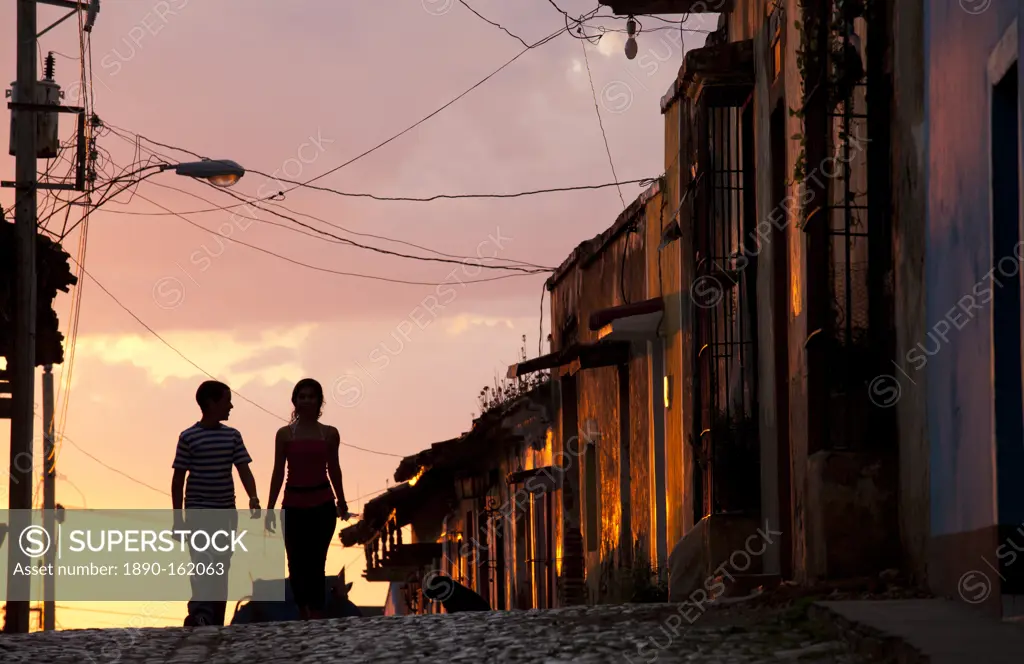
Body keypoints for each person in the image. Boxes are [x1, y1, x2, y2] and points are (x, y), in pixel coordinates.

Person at [172, 380, 261, 627]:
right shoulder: (188, 437)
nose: (231, 406)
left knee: (220, 565)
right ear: (211, 404)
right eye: (226, 401)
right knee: (202, 564)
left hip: (225, 514)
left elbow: (243, 469)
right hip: (199, 513)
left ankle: (215, 618)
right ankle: (200, 614)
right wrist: (177, 519)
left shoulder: (232, 436)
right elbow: (178, 478)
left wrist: (253, 497)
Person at [265, 378, 349, 620]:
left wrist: (341, 501)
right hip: (293, 505)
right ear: (295, 400)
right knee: (296, 561)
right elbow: (278, 471)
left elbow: (334, 468)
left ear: (319, 401)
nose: (306, 400)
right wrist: (269, 508)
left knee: (316, 561)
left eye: (311, 396)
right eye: (302, 396)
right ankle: (302, 608)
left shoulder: (329, 434)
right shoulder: (284, 435)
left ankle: (316, 611)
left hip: (322, 504)